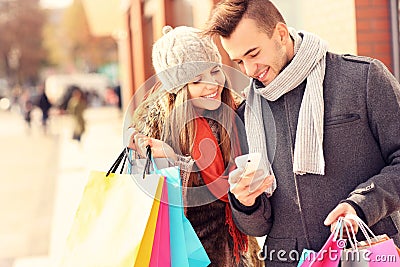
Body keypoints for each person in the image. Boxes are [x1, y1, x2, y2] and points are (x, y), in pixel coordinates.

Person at [203, 0, 400, 265]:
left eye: (253, 53)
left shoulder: (363, 79)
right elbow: (258, 226)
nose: (249, 70)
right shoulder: (245, 115)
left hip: (366, 252)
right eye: (238, 61)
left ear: (281, 34)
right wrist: (245, 203)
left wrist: (362, 205)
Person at [128, 25, 264, 267]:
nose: (212, 85)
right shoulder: (156, 131)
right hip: (184, 255)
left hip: (236, 250)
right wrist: (172, 159)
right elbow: (156, 206)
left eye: (214, 71)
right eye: (197, 79)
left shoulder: (236, 113)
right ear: (179, 88)